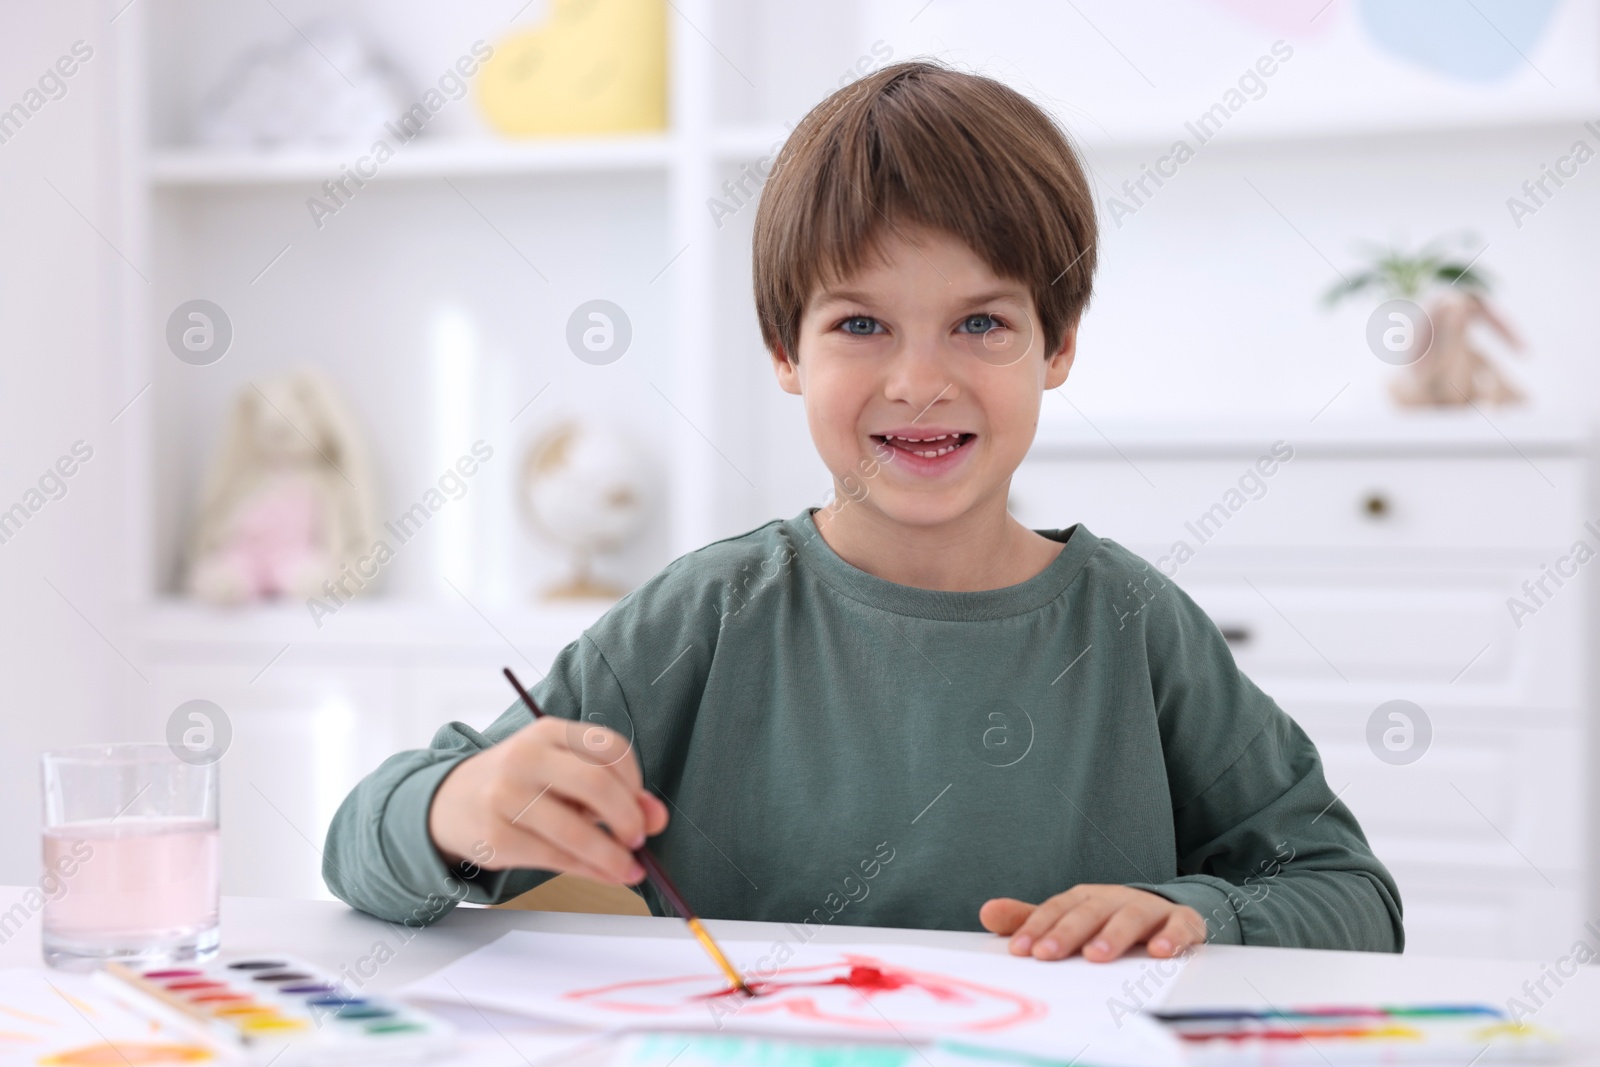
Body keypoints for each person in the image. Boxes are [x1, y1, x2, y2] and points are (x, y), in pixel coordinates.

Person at [324, 60, 1403, 962]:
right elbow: (358, 844)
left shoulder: (1133, 622)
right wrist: (455, 808)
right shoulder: (708, 613)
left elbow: (1352, 898)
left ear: (1058, 345)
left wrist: (1200, 913)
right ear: (785, 351)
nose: (919, 380)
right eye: (861, 325)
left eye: (981, 323)